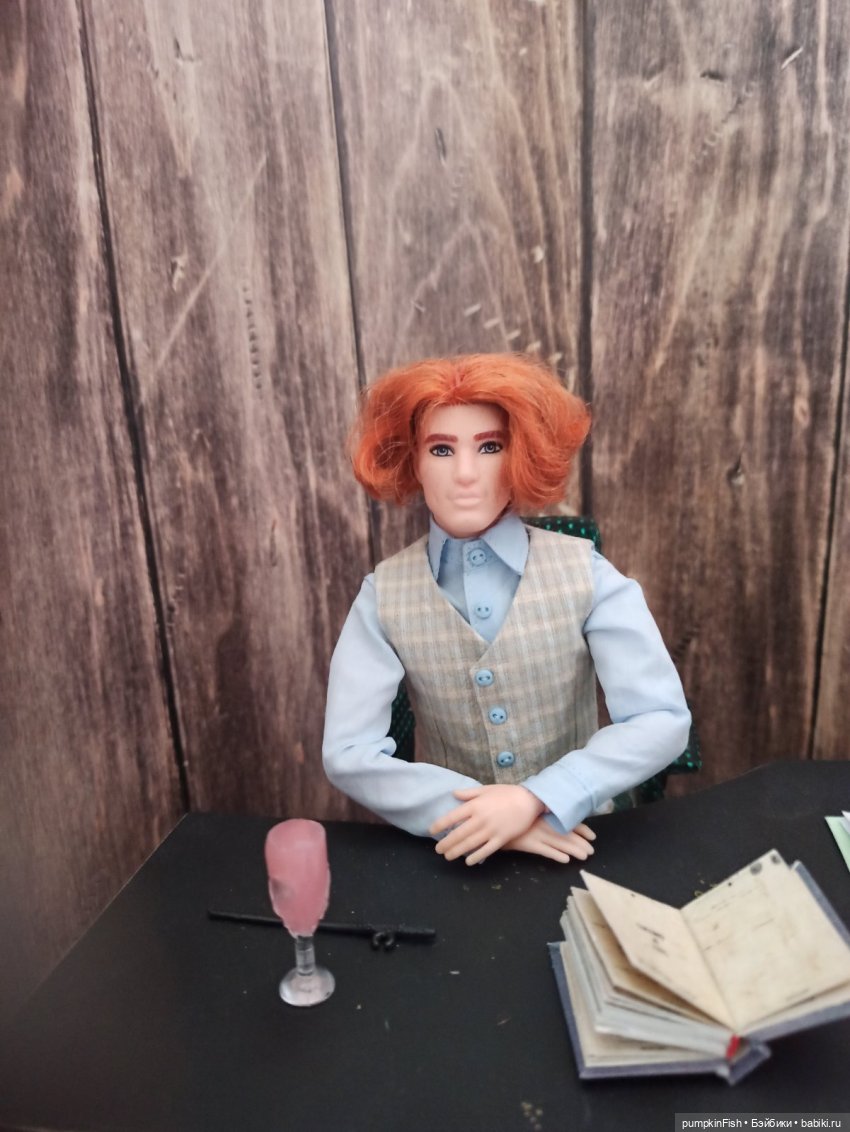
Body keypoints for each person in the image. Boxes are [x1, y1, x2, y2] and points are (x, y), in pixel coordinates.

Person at [322, 354, 691, 866]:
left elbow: (660, 717)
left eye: (490, 446)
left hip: (584, 837)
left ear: (522, 453)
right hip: (454, 853)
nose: (465, 473)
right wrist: (474, 817)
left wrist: (540, 797)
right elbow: (349, 752)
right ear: (412, 460)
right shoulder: (383, 594)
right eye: (441, 449)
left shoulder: (585, 572)